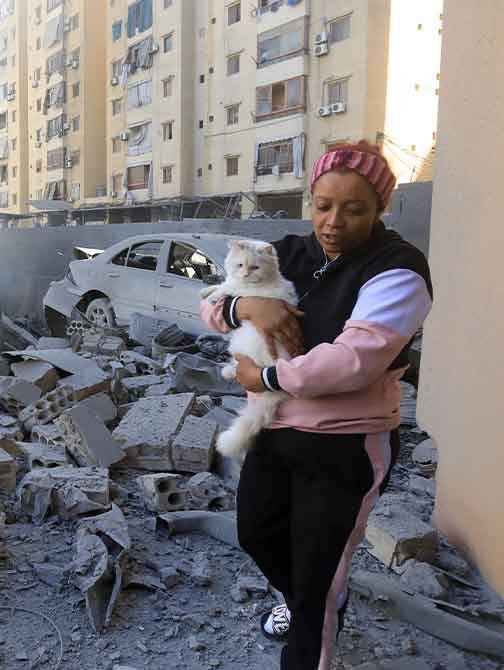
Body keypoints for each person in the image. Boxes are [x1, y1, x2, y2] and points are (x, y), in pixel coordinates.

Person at [199, 141, 432, 670]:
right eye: (323, 205)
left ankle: (316, 615)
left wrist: (265, 375)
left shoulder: (398, 269)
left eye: (354, 209)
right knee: (256, 533)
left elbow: (355, 361)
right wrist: (245, 304)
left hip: (345, 446)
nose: (332, 222)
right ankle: (312, 597)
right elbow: (209, 306)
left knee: (317, 582)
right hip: (276, 430)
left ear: (379, 209)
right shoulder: (292, 252)